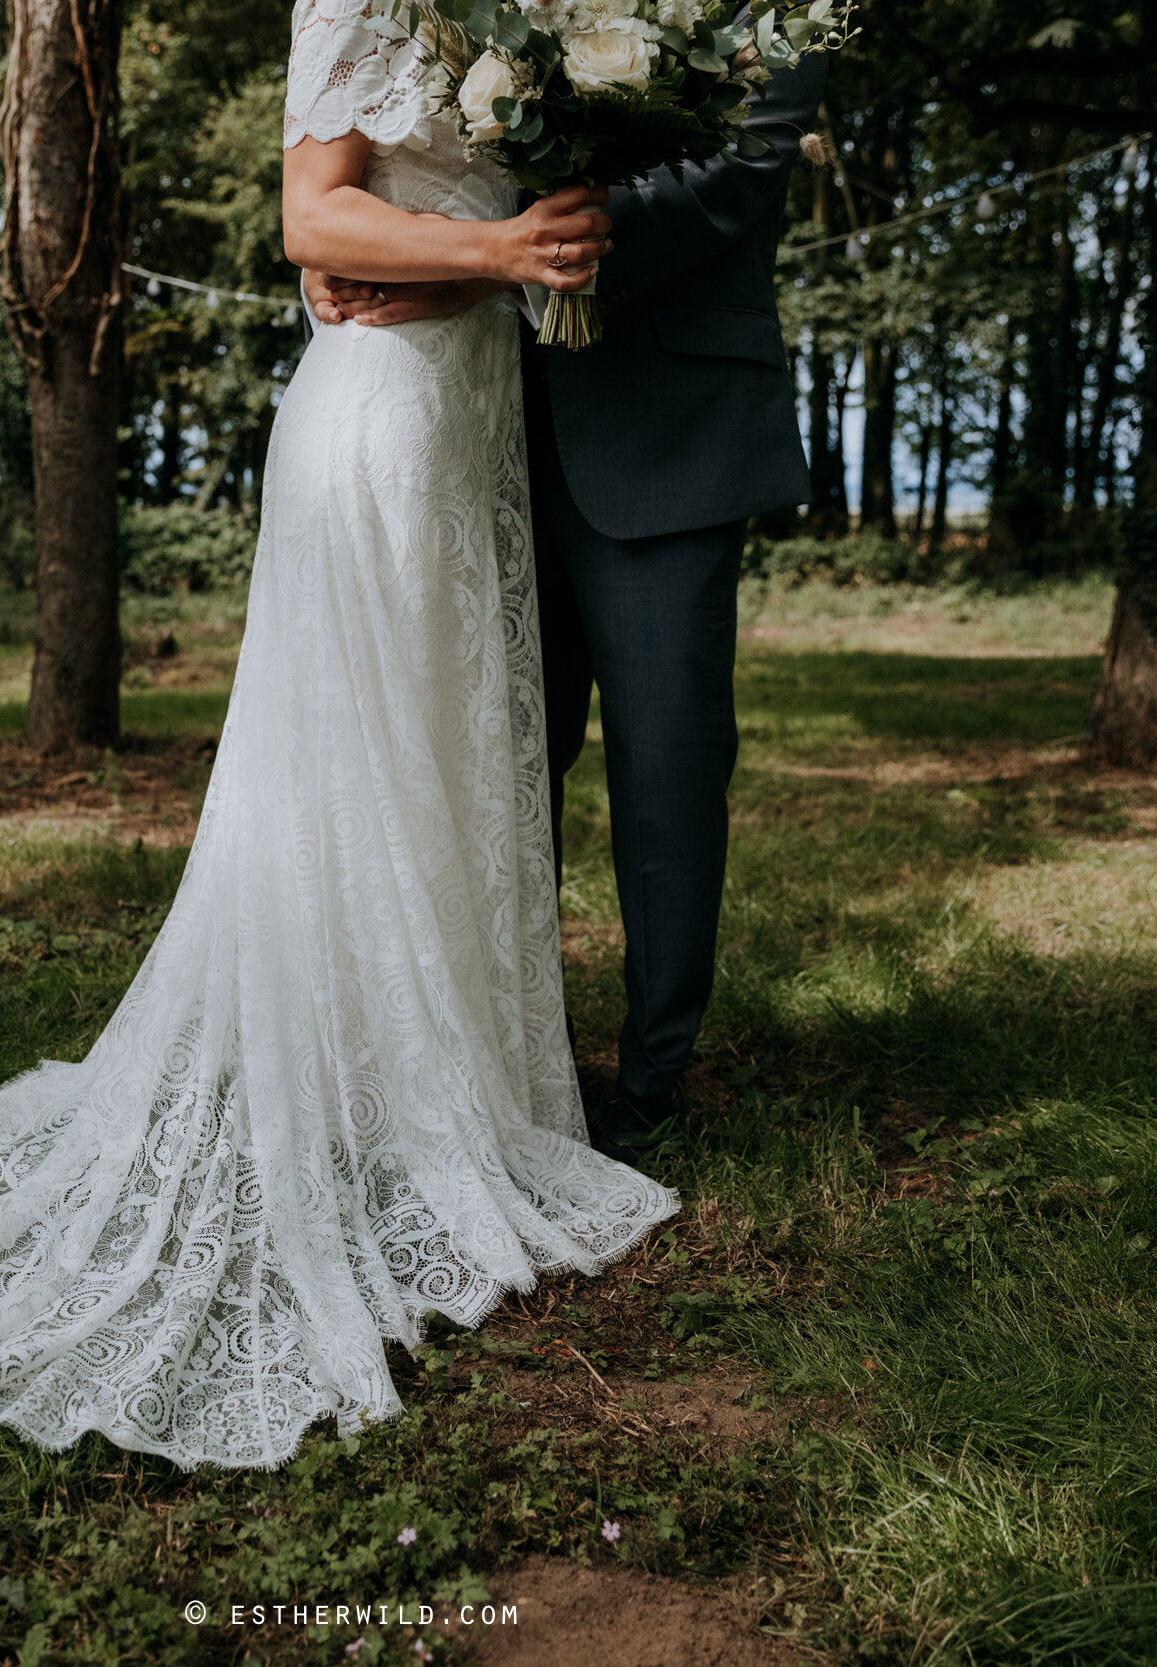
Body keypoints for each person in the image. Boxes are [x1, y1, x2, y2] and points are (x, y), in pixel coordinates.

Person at [0, 0, 694, 1469]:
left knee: (446, 753)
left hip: (472, 420)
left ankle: (446, 1082)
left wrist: (512, 251)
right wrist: (503, 253)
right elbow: (310, 218)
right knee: (355, 769)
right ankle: (363, 1092)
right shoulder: (357, 0)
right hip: (378, 426)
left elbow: (420, 215)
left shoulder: (513, 18)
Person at [310, 40, 826, 1165]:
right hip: (469, 421)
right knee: (491, 763)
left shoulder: (761, 15)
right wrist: (397, 243)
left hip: (669, 417)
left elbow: (733, 174)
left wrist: (497, 262)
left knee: (668, 760)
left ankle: (652, 1076)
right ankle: (502, 1057)